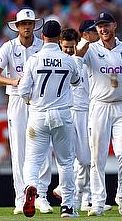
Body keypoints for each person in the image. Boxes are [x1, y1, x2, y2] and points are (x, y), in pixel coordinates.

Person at [82, 12, 122, 216]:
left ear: (114, 26)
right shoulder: (90, 49)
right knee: (97, 156)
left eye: (106, 25)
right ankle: (98, 201)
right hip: (99, 106)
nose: (102, 29)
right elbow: (75, 57)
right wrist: (83, 42)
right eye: (99, 26)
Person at [0, 8, 53, 215]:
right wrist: (14, 81)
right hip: (17, 100)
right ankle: (20, 197)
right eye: (23, 24)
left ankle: (41, 195)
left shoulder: (43, 47)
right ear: (17, 26)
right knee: (18, 150)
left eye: (29, 23)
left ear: (34, 25)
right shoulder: (8, 47)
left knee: (42, 147)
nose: (26, 27)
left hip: (39, 101)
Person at [18, 20, 81, 218]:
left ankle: (31, 186)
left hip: (39, 114)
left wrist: (30, 101)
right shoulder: (68, 59)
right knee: (65, 162)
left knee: (33, 160)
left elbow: (23, 90)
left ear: (43, 36)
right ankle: (68, 207)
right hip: (62, 114)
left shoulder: (34, 59)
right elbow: (76, 81)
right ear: (59, 37)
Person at [52, 22, 112, 213]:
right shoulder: (66, 57)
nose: (68, 50)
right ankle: (74, 198)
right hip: (67, 111)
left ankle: (84, 196)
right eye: (92, 32)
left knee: (86, 159)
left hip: (88, 110)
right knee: (69, 158)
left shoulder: (89, 55)